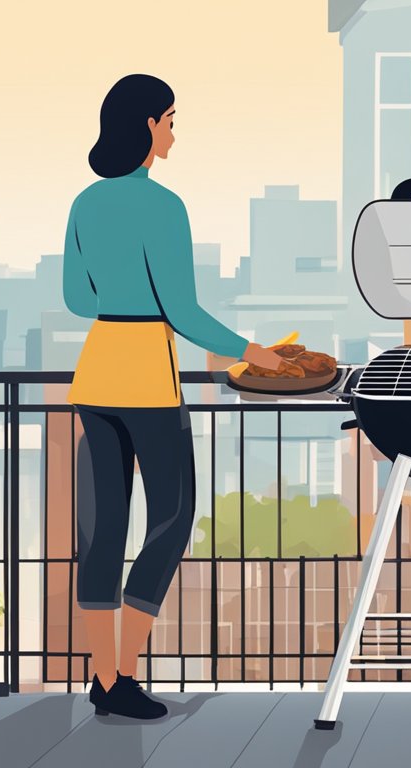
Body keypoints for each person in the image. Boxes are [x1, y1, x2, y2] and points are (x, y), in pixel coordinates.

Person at [62, 73, 282, 719]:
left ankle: (102, 679)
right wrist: (254, 352)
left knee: (102, 532)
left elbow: (77, 299)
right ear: (148, 126)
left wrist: (120, 296)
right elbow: (182, 309)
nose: (174, 132)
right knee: (170, 521)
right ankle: (124, 675)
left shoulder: (85, 201)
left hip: (96, 371)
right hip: (147, 380)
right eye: (170, 120)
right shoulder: (163, 206)